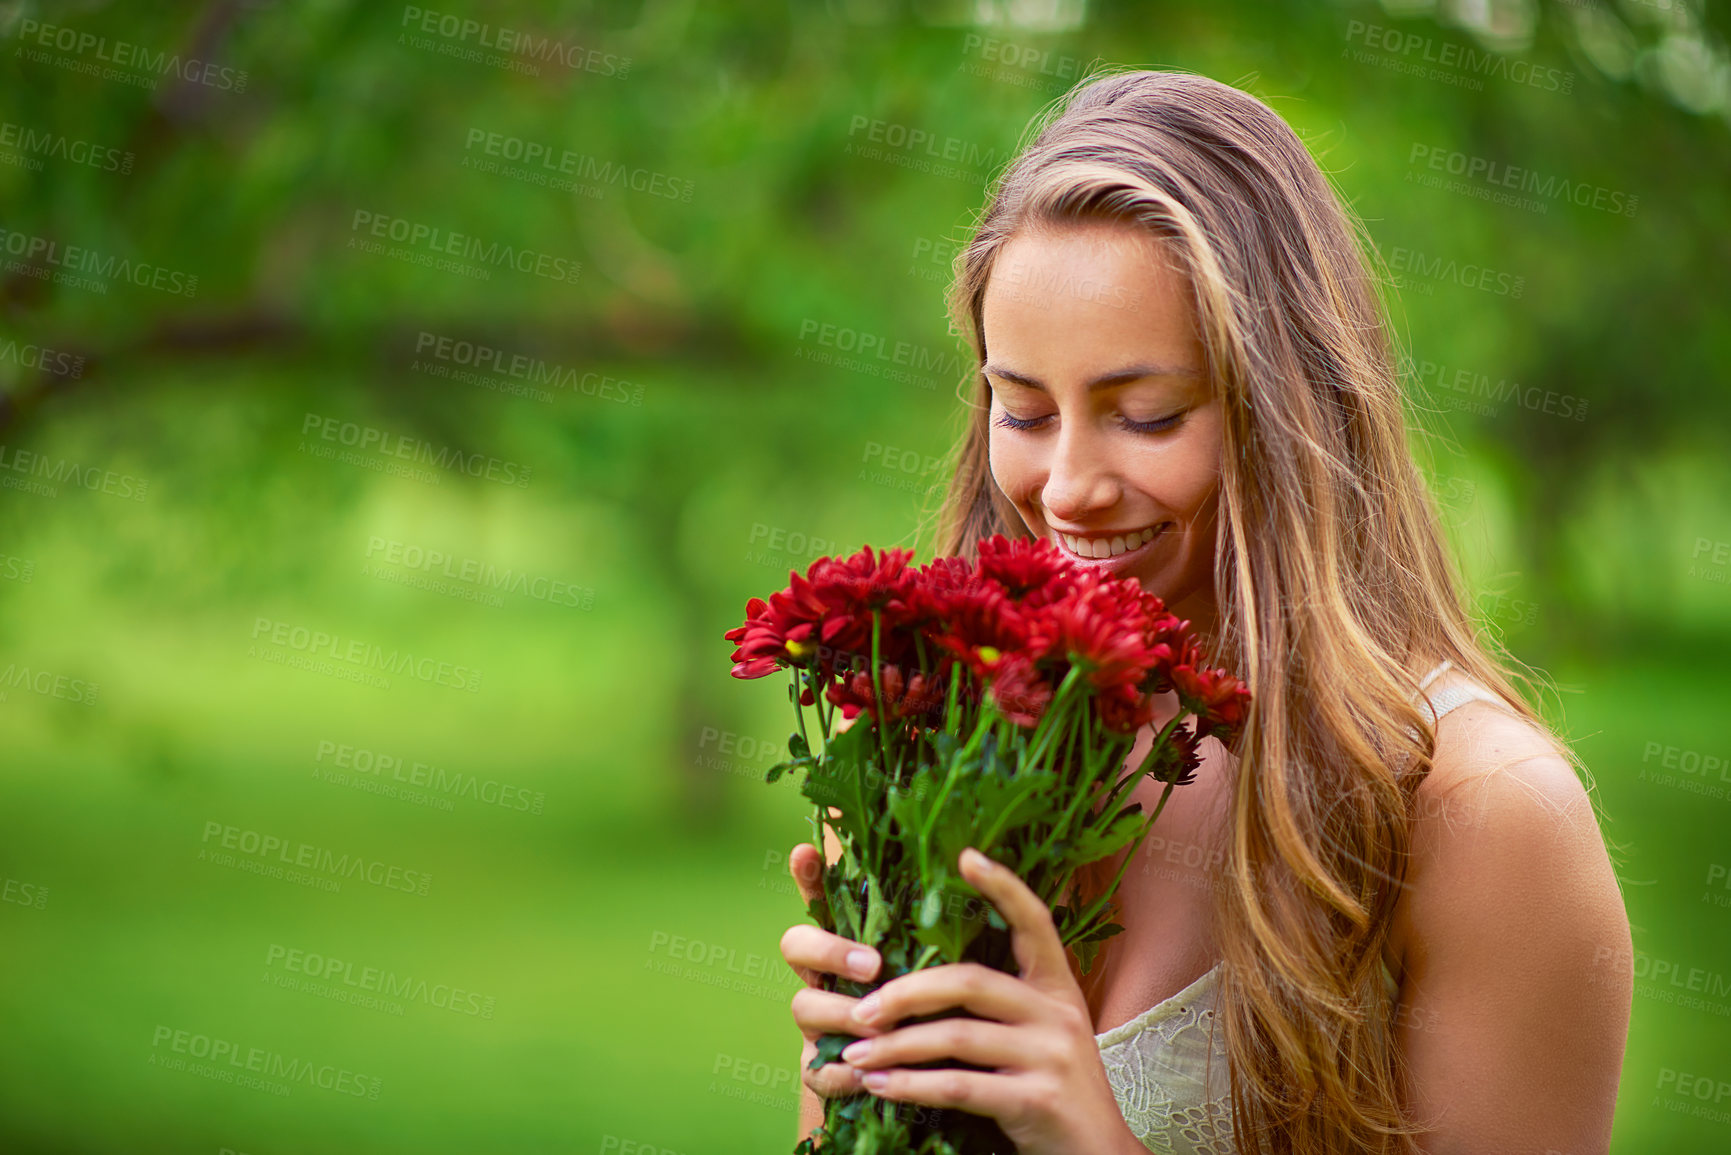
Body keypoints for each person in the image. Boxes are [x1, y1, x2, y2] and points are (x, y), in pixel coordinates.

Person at [779, 68, 1632, 1155]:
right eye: (1025, 409)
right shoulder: (931, 747)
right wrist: (855, 1084)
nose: (1069, 486)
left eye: (1145, 414)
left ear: (1294, 412)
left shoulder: (1484, 814)